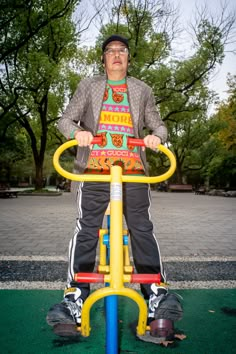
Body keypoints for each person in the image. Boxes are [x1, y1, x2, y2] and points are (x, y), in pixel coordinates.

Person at [47, 34, 183, 339]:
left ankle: (155, 293)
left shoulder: (142, 89)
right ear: (104, 59)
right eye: (111, 51)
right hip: (95, 170)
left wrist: (156, 137)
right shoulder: (89, 86)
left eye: (122, 50)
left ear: (129, 58)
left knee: (141, 227)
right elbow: (65, 120)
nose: (117, 55)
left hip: (132, 170)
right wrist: (78, 133)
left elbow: (158, 124)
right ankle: (75, 296)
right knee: (86, 227)